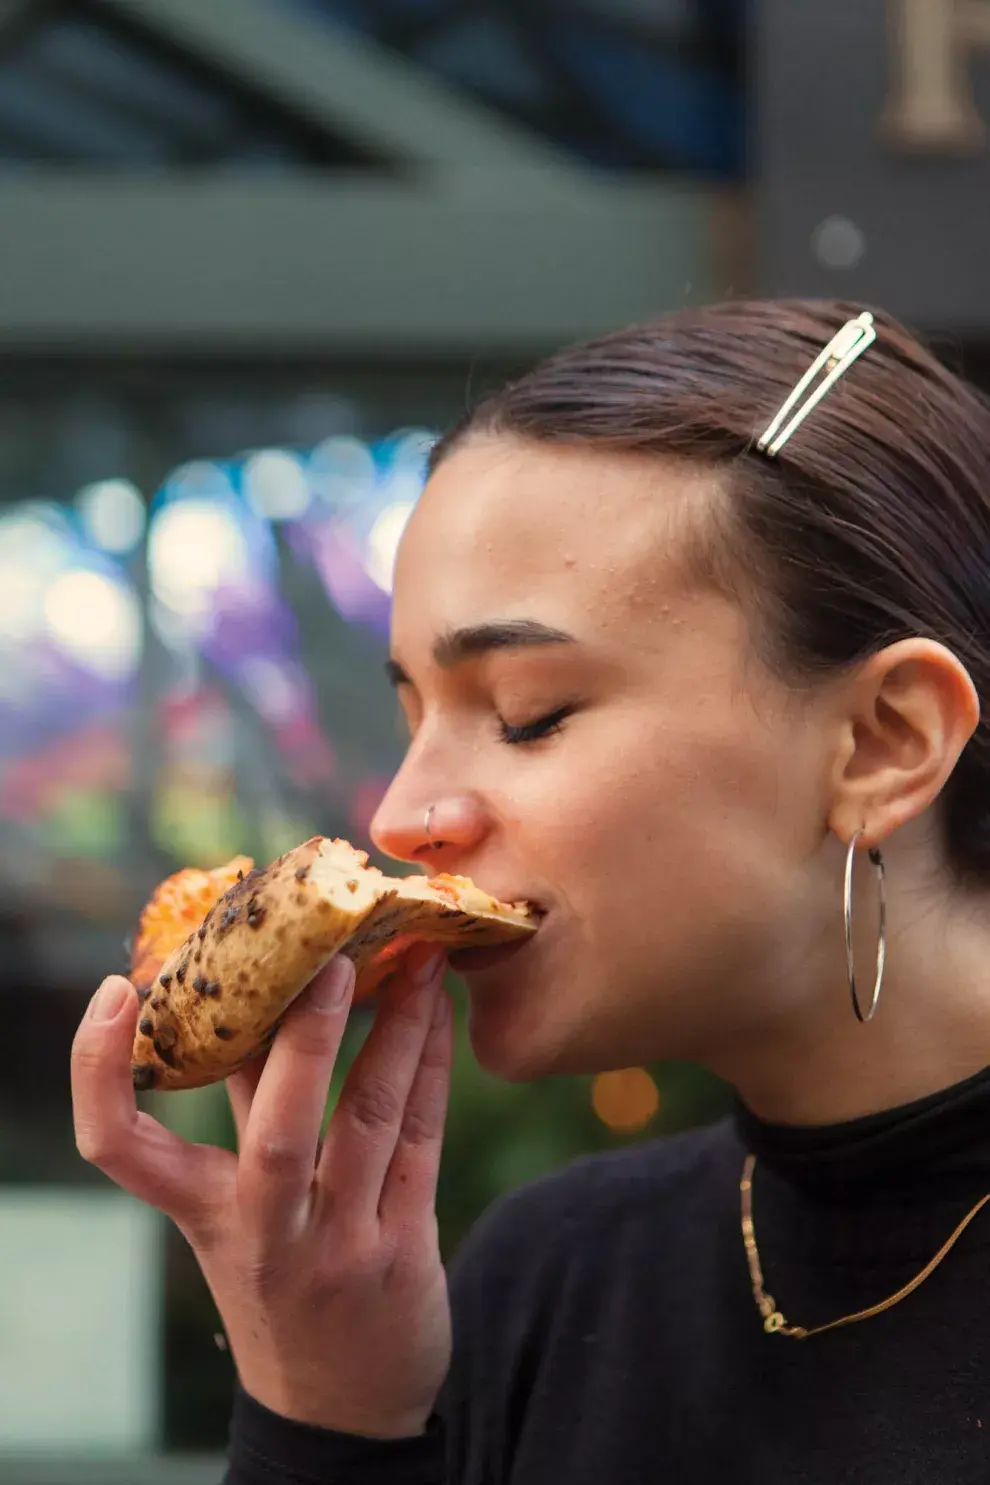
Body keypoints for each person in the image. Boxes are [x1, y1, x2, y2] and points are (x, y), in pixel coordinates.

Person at [71, 298, 990, 1484]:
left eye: (526, 714)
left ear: (883, 742)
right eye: (411, 713)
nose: (401, 817)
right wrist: (326, 1414)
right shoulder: (546, 1277)